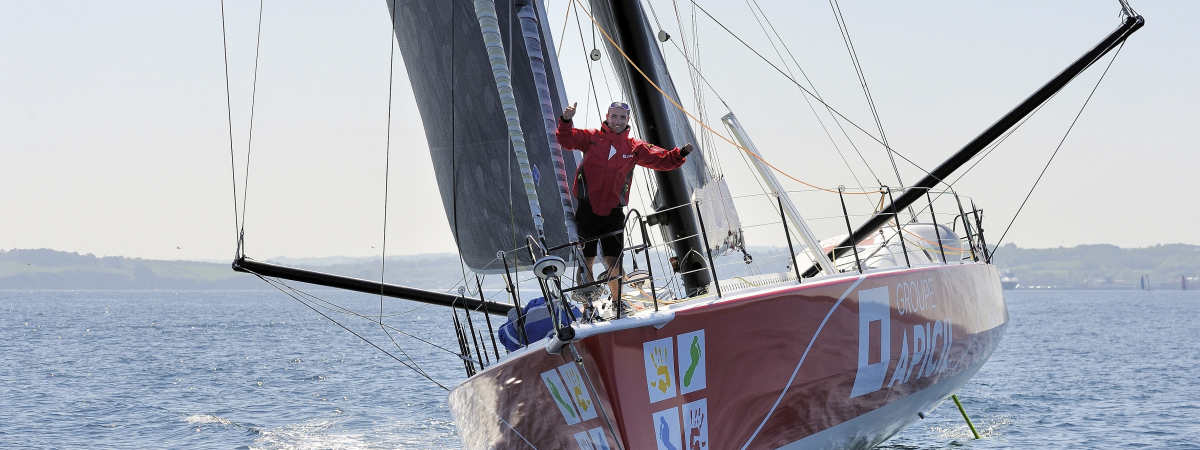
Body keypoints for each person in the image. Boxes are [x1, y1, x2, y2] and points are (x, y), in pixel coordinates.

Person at [556, 101, 693, 304]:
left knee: (614, 262)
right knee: (587, 261)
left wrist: (680, 154)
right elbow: (566, 141)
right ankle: (588, 305)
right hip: (588, 209)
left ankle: (618, 302)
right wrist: (566, 120)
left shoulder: (634, 147)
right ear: (607, 116)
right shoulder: (591, 137)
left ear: (627, 120)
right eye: (614, 116)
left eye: (622, 117)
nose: (617, 121)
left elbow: (660, 159)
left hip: (614, 212)